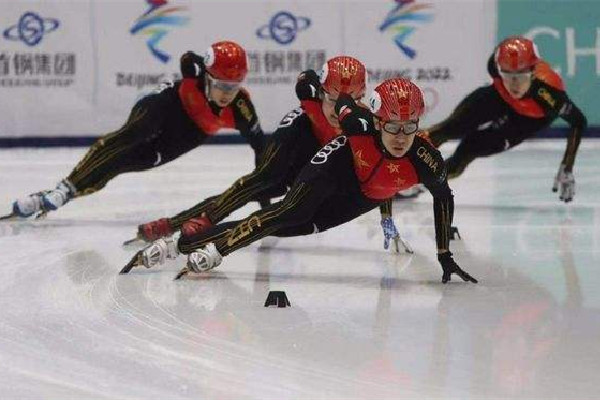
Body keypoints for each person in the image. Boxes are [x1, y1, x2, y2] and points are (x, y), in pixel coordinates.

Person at [123, 78, 478, 284]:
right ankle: (213, 251)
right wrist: (309, 82)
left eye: (409, 128)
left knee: (285, 228)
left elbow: (443, 196)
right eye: (392, 127)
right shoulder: (357, 122)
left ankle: (181, 244)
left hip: (358, 197)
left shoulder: (426, 157)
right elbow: (337, 97)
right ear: (378, 120)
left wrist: (444, 254)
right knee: (286, 213)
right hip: (333, 167)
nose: (401, 137)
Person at [129, 56, 410, 253]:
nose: (341, 112)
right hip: (298, 140)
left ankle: (202, 228)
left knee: (288, 210)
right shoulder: (310, 98)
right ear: (321, 94)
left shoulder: (366, 122)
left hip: (318, 163)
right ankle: (181, 223)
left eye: (353, 102)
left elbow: (379, 175)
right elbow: (305, 81)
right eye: (334, 101)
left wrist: (387, 219)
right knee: (263, 179)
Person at [6, 40, 265, 219]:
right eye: (221, 85)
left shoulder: (242, 109)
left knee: (122, 163)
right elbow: (188, 57)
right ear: (207, 76)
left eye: (234, 87)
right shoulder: (195, 71)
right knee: (134, 134)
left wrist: (264, 197)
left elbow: (261, 148)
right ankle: (64, 187)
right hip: (168, 103)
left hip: (189, 134)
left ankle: (58, 195)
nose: (226, 94)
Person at [424, 36, 587, 203]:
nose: (515, 84)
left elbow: (579, 122)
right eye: (508, 75)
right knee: (450, 128)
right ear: (499, 70)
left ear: (532, 73)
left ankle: (420, 181)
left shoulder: (549, 92)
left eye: (521, 76)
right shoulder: (494, 65)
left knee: (469, 150)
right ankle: (400, 164)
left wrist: (567, 167)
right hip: (499, 97)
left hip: (527, 120)